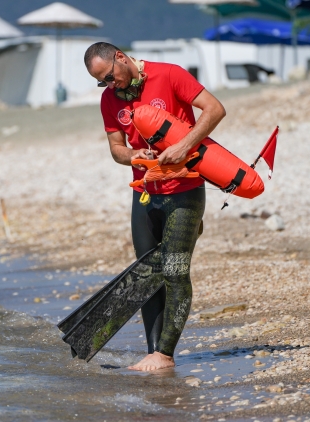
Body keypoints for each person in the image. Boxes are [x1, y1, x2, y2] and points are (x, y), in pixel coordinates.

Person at [83, 42, 226, 371]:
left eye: (109, 76)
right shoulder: (110, 100)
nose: (109, 84)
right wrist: (134, 156)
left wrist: (185, 144)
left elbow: (215, 109)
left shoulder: (170, 74)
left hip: (185, 189)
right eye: (101, 81)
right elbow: (116, 148)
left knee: (175, 271)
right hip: (145, 194)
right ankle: (153, 352)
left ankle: (164, 355)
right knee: (147, 274)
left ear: (121, 57)